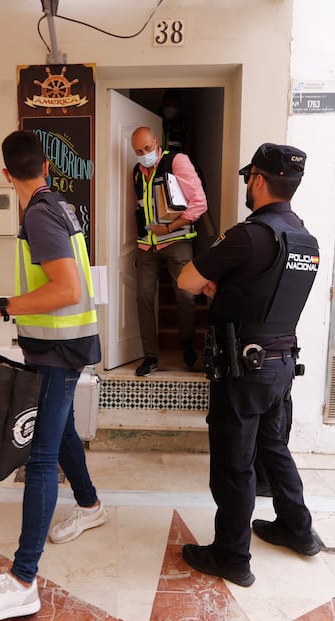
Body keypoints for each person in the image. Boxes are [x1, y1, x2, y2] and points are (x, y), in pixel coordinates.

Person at [0, 130, 106, 620]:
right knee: (60, 431)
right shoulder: (59, 205)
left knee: (39, 459)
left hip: (60, 349)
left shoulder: (39, 215)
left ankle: (23, 580)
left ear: (5, 175)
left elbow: (66, 288)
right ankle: (90, 505)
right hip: (61, 345)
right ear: (46, 165)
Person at [177, 142, 320, 587]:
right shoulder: (305, 240)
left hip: (243, 369)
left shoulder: (248, 234)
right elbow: (269, 293)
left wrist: (211, 289)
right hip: (281, 367)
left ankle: (232, 556)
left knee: (234, 464)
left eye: (247, 179)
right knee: (273, 447)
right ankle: (299, 531)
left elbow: (186, 280)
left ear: (258, 180)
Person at [131, 126, 207, 376]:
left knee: (185, 295)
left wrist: (171, 227)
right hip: (146, 245)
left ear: (156, 142)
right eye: (138, 151)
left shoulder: (177, 161)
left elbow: (199, 204)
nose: (144, 154)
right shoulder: (137, 172)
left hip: (177, 241)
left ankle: (187, 344)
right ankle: (150, 357)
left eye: (147, 148)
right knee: (143, 297)